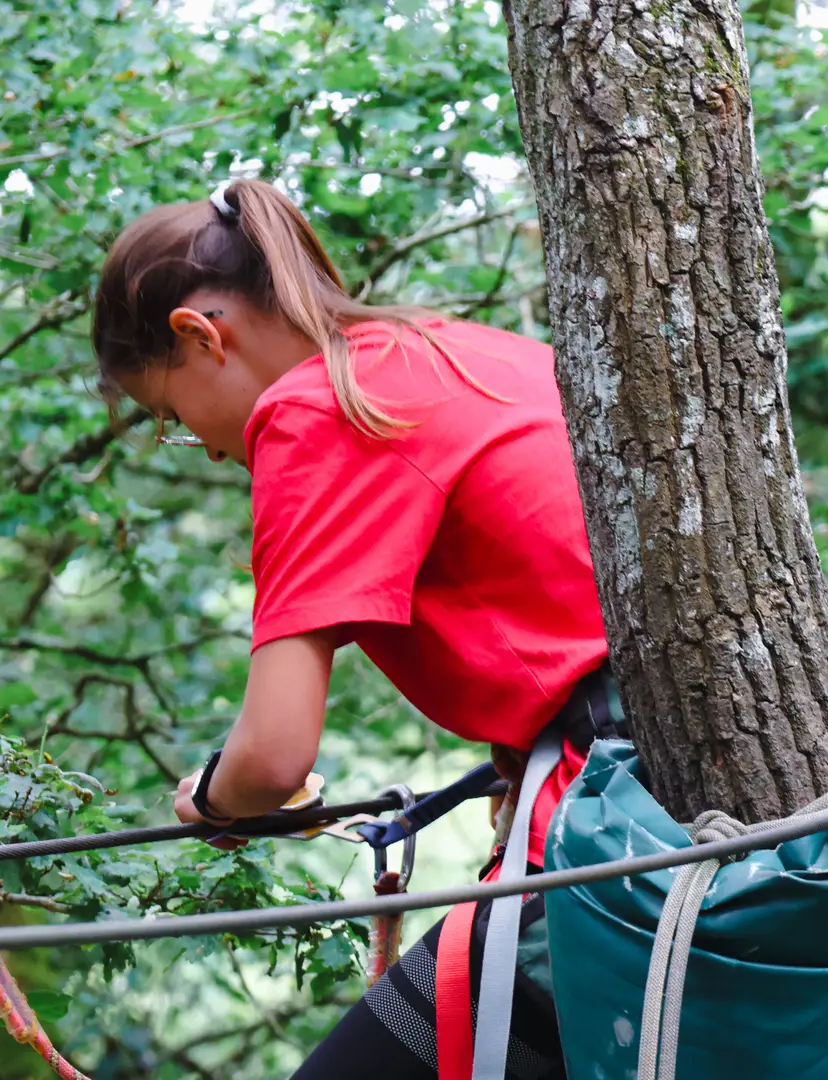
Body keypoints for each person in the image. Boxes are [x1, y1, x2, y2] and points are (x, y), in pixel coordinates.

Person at [91, 178, 620, 1080]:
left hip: (608, 816)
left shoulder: (314, 410)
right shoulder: (445, 348)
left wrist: (215, 802)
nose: (210, 449)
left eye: (174, 419)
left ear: (198, 335)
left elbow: (274, 758)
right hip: (635, 783)